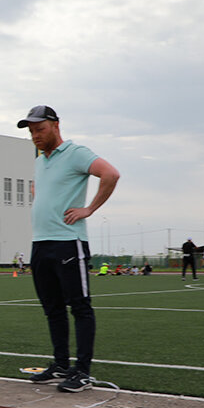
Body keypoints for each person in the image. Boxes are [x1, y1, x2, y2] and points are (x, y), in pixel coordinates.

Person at [17, 105, 120, 393]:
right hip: (40, 243)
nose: (35, 135)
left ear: (55, 126)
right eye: (31, 131)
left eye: (40, 129)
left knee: (80, 307)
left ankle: (83, 372)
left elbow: (110, 174)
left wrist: (89, 208)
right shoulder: (40, 161)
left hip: (68, 242)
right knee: (52, 308)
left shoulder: (76, 153)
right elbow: (44, 191)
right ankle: (61, 364)